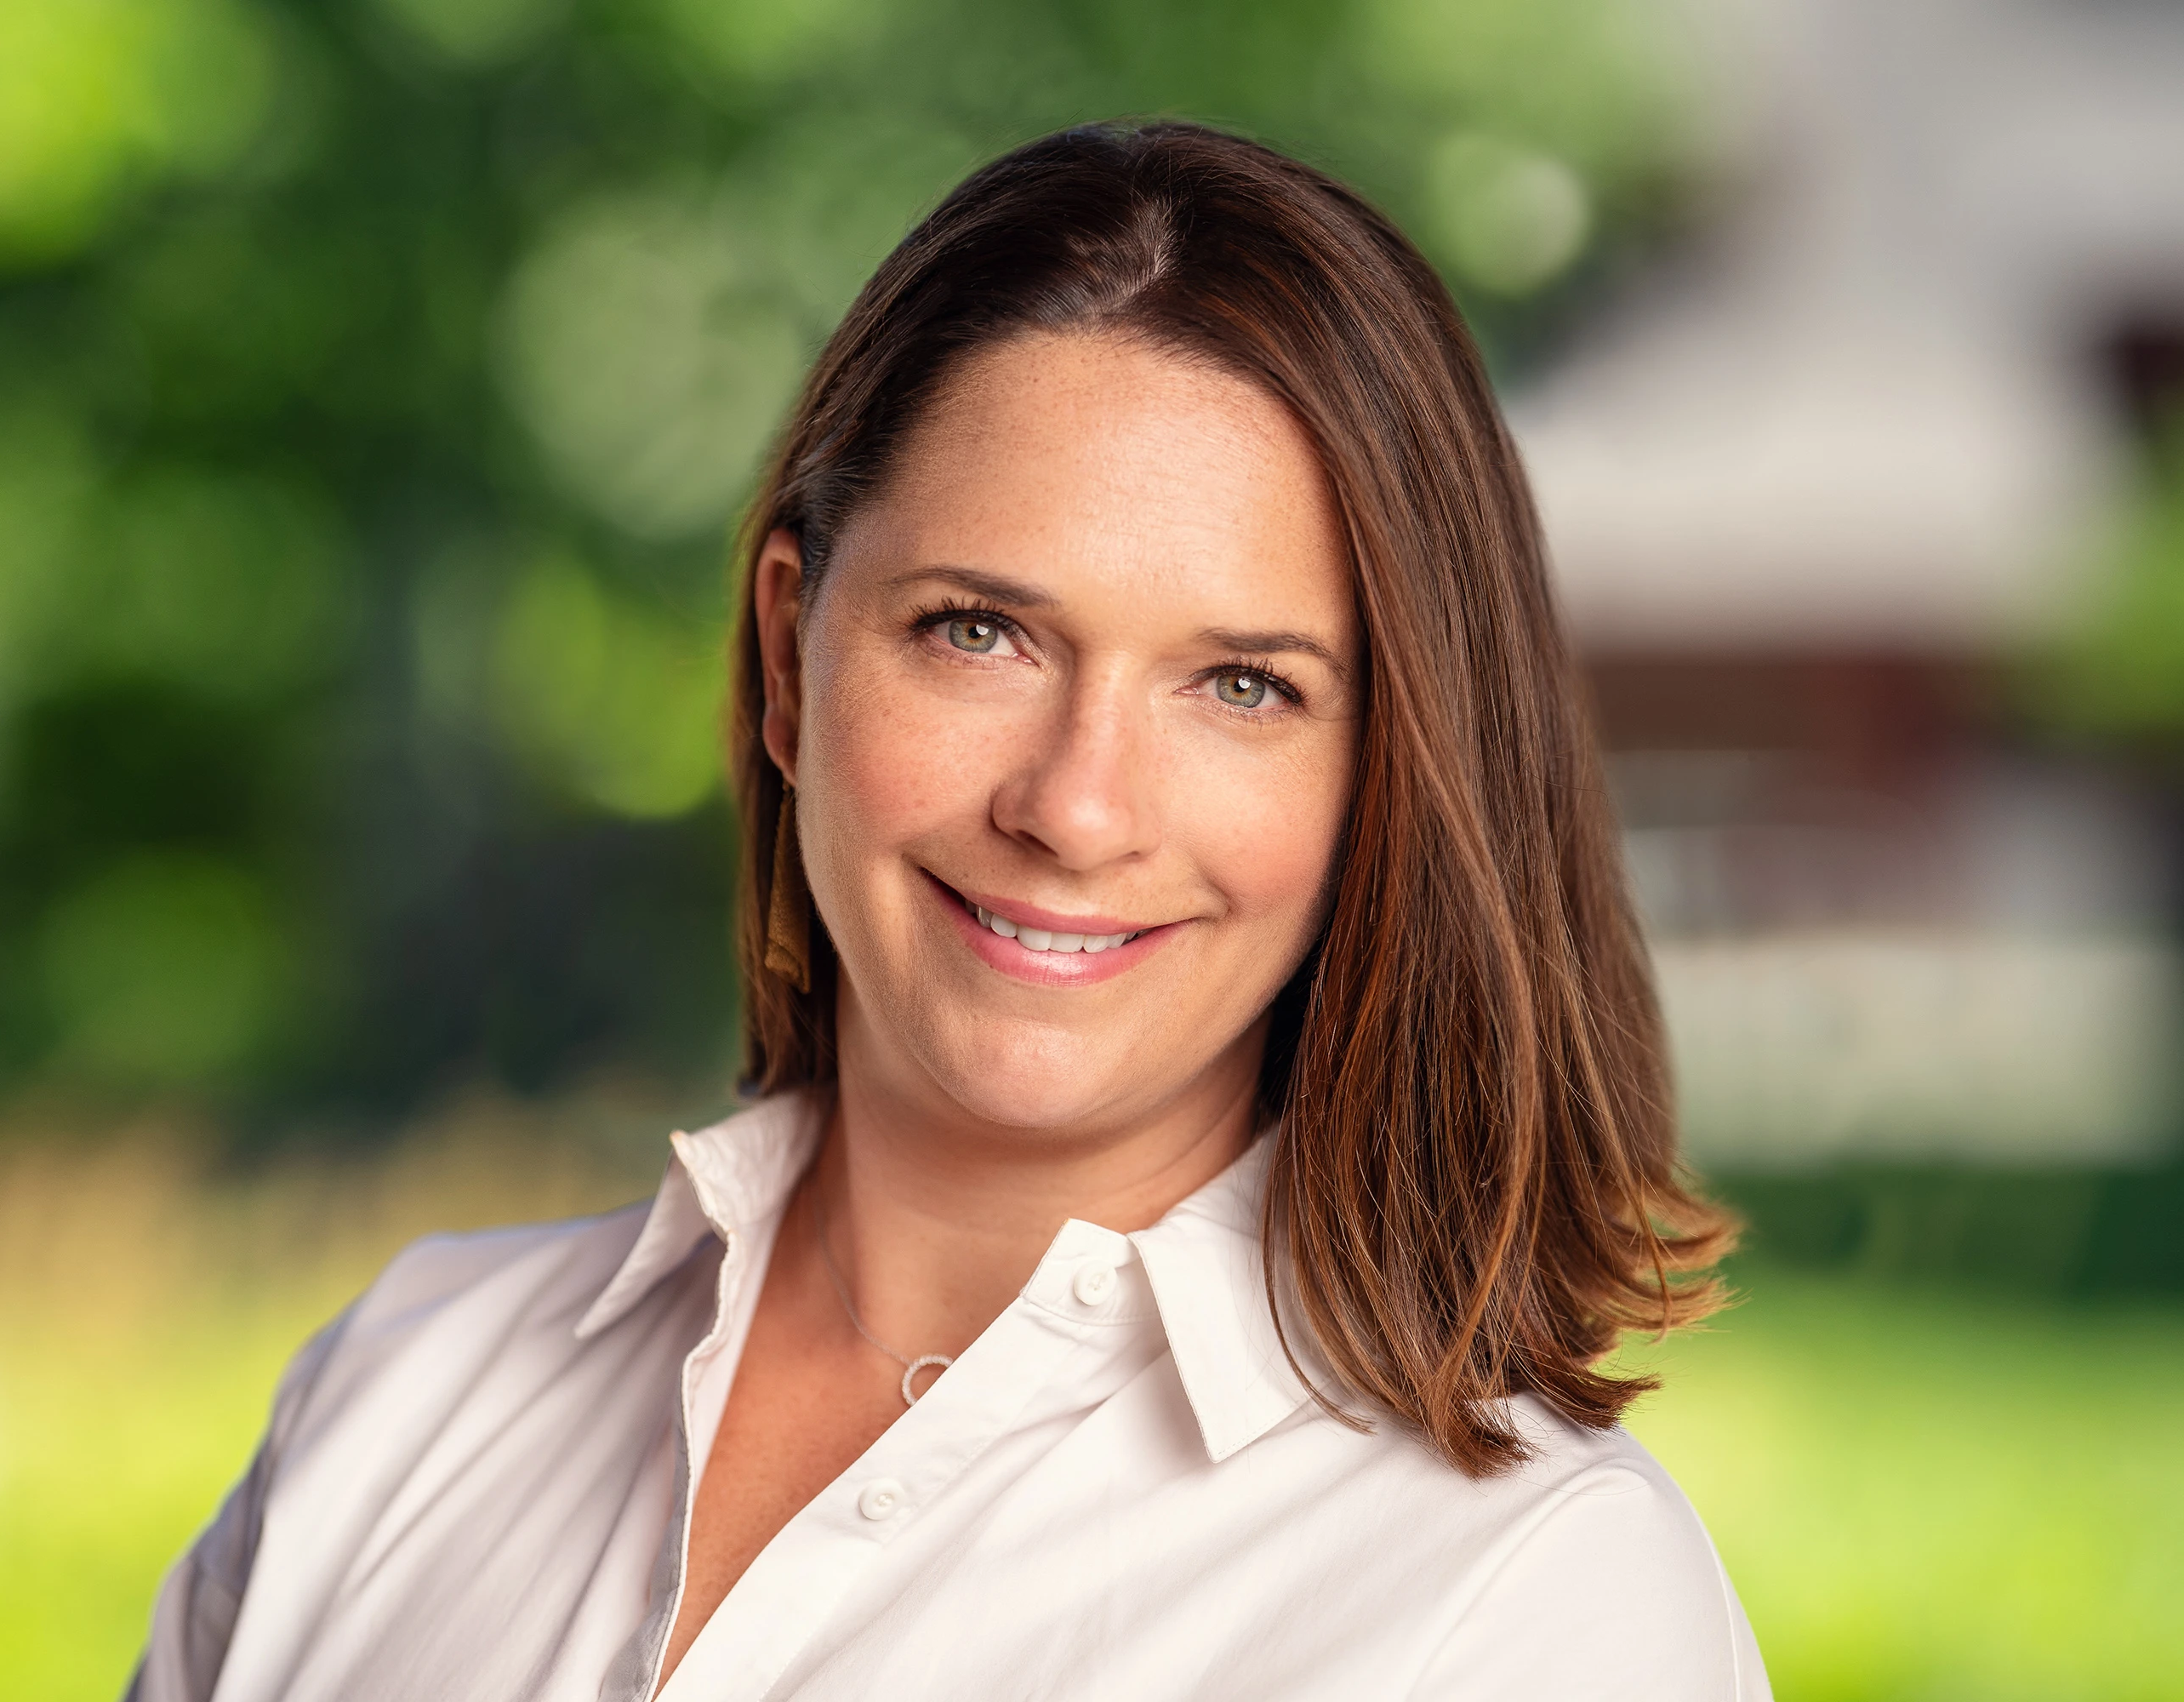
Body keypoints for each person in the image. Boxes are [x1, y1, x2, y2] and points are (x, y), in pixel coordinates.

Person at [126, 120, 1769, 1702]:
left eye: (1246, 685)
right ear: (790, 657)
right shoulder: (402, 1391)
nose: (1074, 806)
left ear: (1388, 779)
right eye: (980, 632)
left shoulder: (1537, 1600)